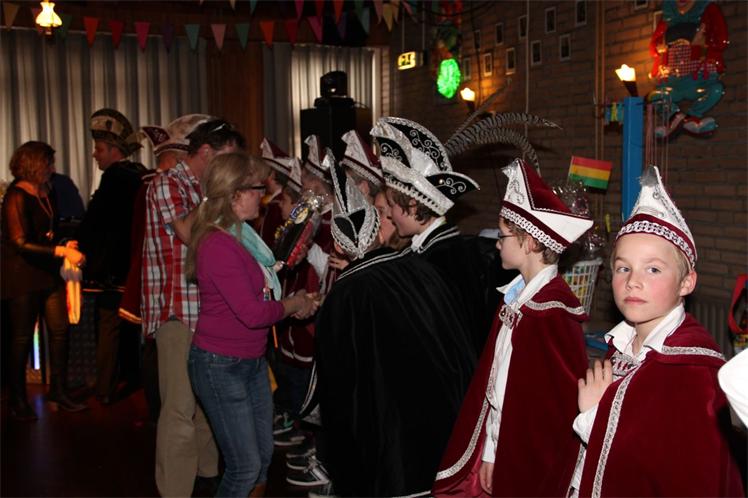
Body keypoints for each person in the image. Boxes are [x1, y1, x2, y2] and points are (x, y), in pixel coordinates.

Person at [573, 166, 744, 497]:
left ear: (686, 283)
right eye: (623, 268)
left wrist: (593, 414)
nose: (633, 281)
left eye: (653, 269)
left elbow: (670, 474)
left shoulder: (692, 372)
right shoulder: (623, 345)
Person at [313, 153, 475, 497]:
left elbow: (338, 392)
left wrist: (341, 460)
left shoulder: (343, 298)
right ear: (377, 227)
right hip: (442, 429)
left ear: (339, 243)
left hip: (390, 447)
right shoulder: (420, 268)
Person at [433, 159, 593, 497]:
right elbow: (497, 388)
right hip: (503, 443)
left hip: (528, 457)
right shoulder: (516, 298)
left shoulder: (552, 315)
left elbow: (550, 411)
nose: (497, 243)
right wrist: (491, 451)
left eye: (502, 235)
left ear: (530, 242)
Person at [186, 152, 318, 498]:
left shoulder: (239, 235)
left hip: (248, 361)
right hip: (221, 364)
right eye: (256, 189)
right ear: (234, 194)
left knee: (261, 459)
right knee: (244, 467)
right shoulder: (218, 242)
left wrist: (286, 274)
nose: (262, 196)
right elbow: (253, 314)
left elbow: (257, 285)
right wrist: (294, 304)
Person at [142, 118, 246, 498]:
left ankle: (207, 475)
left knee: (206, 403)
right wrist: (218, 197)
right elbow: (189, 234)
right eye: (227, 158)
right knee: (179, 408)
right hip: (177, 311)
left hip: (208, 311)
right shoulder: (166, 184)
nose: (231, 168)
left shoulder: (202, 188)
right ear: (205, 152)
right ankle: (175, 491)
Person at [371, 116, 493, 355]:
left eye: (392, 206)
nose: (390, 215)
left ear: (412, 205)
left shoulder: (440, 259)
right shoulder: (435, 248)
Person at [120, 114, 213, 423]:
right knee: (177, 401)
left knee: (199, 403)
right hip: (173, 302)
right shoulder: (163, 185)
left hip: (197, 305)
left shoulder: (196, 187)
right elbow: (174, 237)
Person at [1, 141, 88, 419]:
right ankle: (17, 399)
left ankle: (58, 390)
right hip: (22, 276)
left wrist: (64, 242)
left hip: (47, 272)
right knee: (22, 338)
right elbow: (19, 243)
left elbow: (51, 229)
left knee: (60, 330)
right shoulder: (15, 196)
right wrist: (60, 251)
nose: (52, 168)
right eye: (48, 163)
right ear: (35, 164)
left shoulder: (47, 191)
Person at [77, 108, 147, 405]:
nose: (95, 154)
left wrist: (81, 246)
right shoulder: (140, 174)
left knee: (108, 326)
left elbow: (96, 224)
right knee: (132, 327)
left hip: (115, 269)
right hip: (136, 265)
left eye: (99, 148)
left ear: (115, 151)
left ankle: (104, 388)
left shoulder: (114, 178)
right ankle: (132, 377)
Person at [257, 138, 302, 247]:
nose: (261, 177)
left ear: (273, 174)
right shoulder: (274, 202)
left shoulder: (276, 205)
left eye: (265, 172)